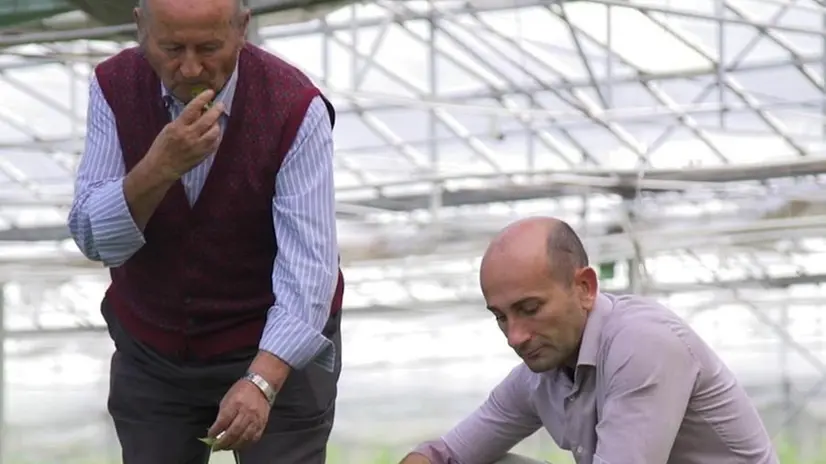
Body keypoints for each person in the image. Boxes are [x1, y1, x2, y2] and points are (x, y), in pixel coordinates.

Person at [67, 0, 344, 463]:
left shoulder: (295, 106)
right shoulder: (112, 87)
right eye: (172, 47)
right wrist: (159, 167)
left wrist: (262, 380)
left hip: (274, 342)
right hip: (153, 349)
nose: (191, 66)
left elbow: (310, 269)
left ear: (242, 29)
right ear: (141, 29)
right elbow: (97, 241)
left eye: (209, 47)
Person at [399, 217, 779, 464]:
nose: (515, 336)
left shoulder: (642, 344)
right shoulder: (542, 370)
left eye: (529, 308)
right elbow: (447, 454)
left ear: (584, 288)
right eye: (500, 316)